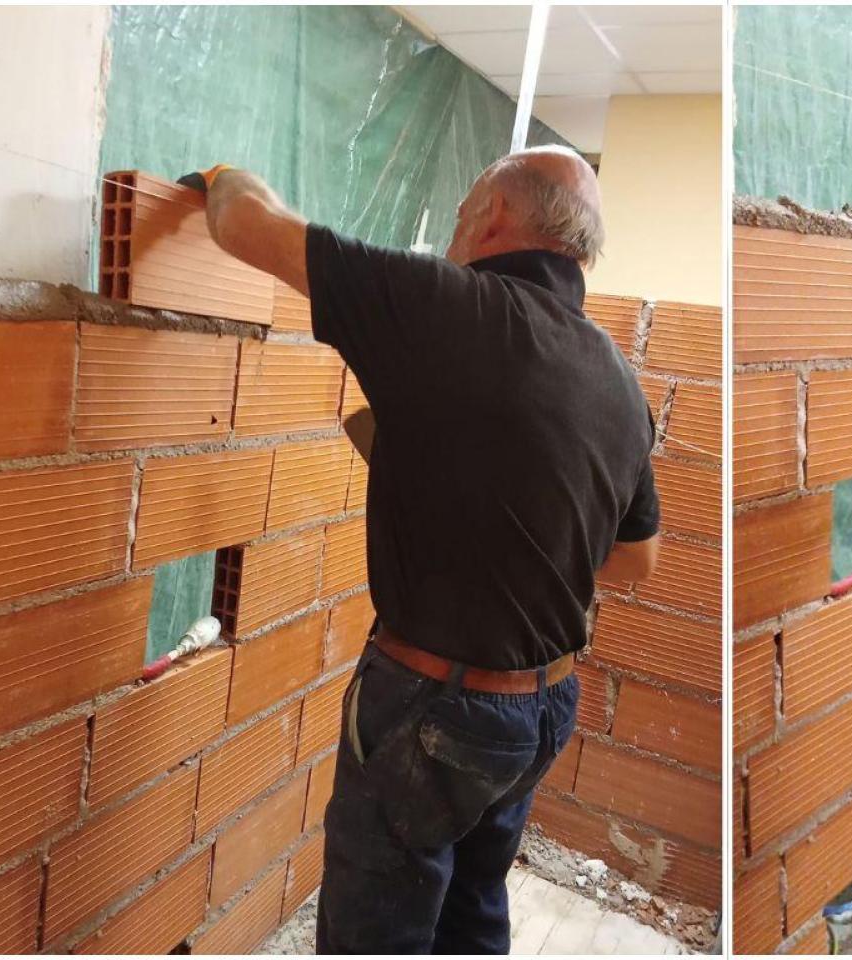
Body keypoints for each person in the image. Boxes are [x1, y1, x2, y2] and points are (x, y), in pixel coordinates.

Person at [192, 146, 662, 953]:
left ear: (492, 217)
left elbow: (245, 223)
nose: (453, 226)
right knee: (469, 908)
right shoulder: (617, 376)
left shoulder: (442, 306)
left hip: (433, 712)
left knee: (379, 930)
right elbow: (634, 559)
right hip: (540, 710)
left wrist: (217, 176)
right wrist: (504, 527)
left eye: (460, 210)